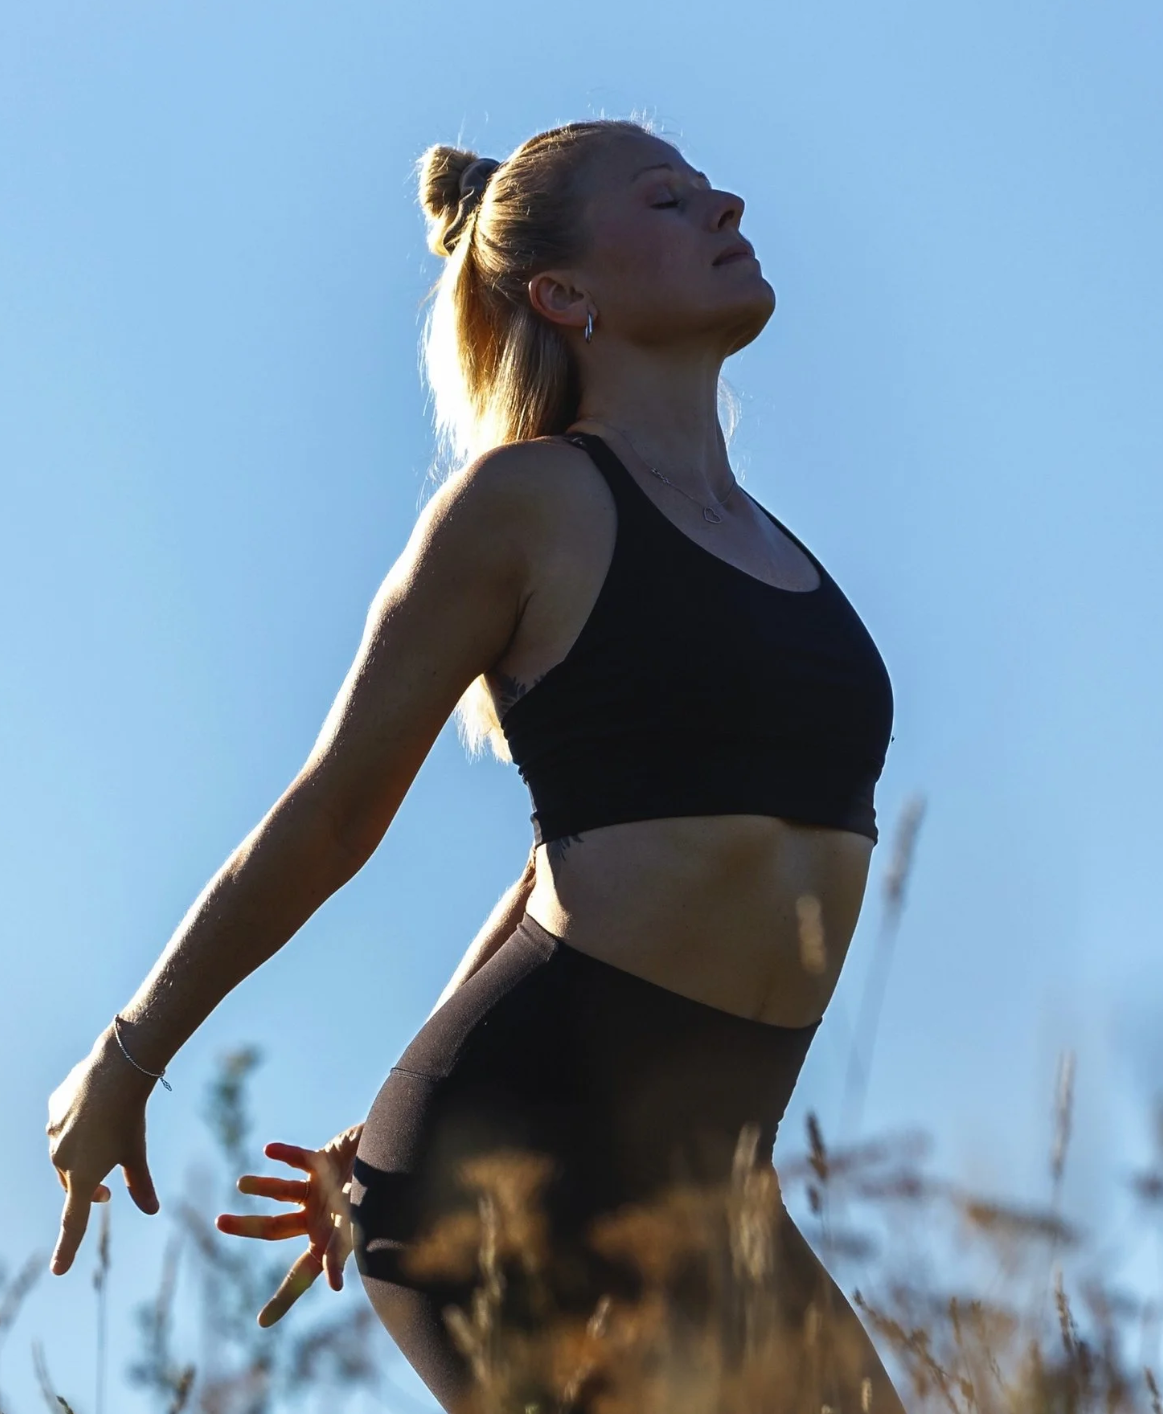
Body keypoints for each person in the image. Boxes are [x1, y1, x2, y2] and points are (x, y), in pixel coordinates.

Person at [46, 116, 905, 1412]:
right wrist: (126, 1058)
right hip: (516, 1165)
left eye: (710, 187)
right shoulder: (528, 505)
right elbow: (333, 811)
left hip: (720, 1187)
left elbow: (563, 869)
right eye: (669, 201)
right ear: (563, 295)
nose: (724, 203)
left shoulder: (775, 548)